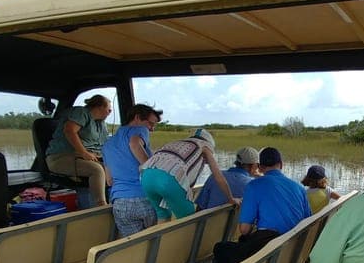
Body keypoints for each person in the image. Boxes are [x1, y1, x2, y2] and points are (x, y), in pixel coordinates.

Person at [140, 128, 239, 221]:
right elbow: (218, 177)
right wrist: (231, 199)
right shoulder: (204, 146)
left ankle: (162, 239)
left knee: (163, 216)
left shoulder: (178, 143)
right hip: (168, 180)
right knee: (189, 221)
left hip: (146, 177)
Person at [102, 103, 164, 236]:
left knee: (135, 247)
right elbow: (134, 144)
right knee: (154, 243)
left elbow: (109, 181)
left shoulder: (107, 144)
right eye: (151, 124)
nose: (152, 129)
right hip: (145, 199)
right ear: (137, 118)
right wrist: (150, 168)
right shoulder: (139, 130)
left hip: (121, 204)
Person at [45, 94, 112, 206]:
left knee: (112, 167)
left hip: (84, 158)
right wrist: (84, 153)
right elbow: (69, 130)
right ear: (99, 107)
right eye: (108, 109)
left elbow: (106, 144)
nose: (110, 113)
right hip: (60, 157)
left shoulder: (101, 124)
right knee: (96, 169)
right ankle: (101, 206)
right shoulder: (81, 113)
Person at [195, 146, 260, 210]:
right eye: (258, 165)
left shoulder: (214, 176)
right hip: (237, 220)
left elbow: (200, 206)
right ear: (254, 166)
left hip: (210, 220)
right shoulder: (253, 185)